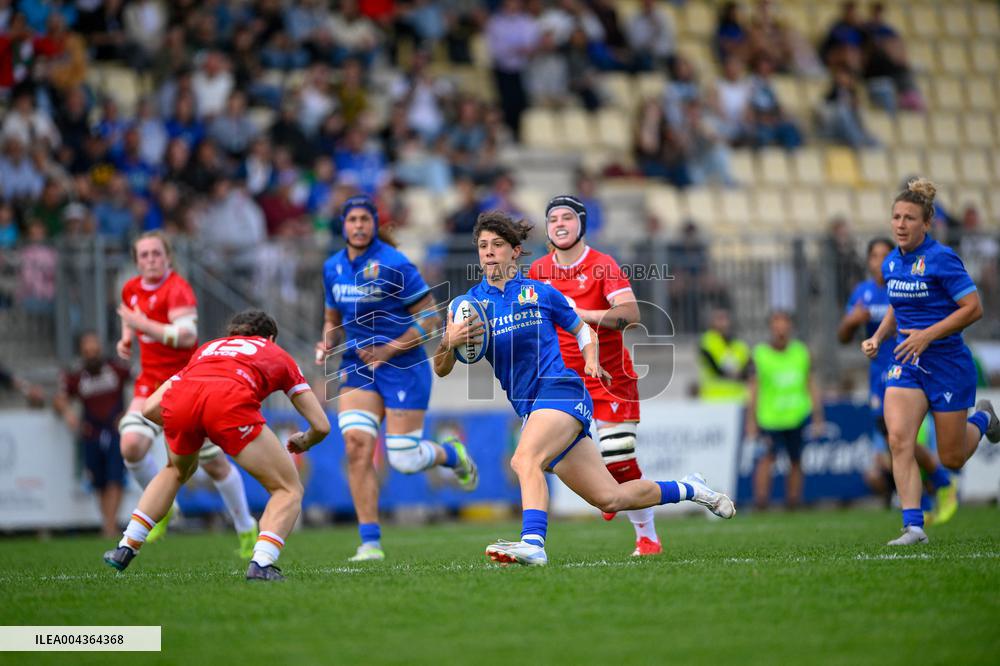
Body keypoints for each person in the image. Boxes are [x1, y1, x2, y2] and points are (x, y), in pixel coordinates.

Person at [434, 211, 735, 567]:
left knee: (523, 458)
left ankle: (533, 543)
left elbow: (582, 330)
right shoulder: (468, 306)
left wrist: (591, 359)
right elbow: (442, 368)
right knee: (611, 498)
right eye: (482, 246)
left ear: (515, 251)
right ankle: (692, 487)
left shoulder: (541, 292)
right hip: (533, 407)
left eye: (497, 245)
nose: (488, 252)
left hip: (563, 391)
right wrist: (447, 342)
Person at [103, 311, 330, 581]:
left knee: (174, 471)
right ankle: (262, 563)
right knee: (288, 489)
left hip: (181, 404)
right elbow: (321, 425)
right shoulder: (274, 352)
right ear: (271, 338)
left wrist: (195, 427)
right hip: (229, 403)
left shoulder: (207, 349)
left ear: (231, 334)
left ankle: (125, 546)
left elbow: (151, 407)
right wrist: (304, 440)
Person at [316, 195, 478, 562]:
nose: (358, 225)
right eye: (352, 219)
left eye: (364, 219)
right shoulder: (332, 268)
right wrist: (327, 338)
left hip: (404, 366)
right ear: (343, 224)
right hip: (357, 366)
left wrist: (388, 350)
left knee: (403, 460)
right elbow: (331, 317)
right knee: (357, 446)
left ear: (374, 223)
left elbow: (431, 319)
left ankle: (453, 455)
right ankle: (369, 542)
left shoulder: (395, 264)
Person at [861, 178, 1000, 546]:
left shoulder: (942, 259)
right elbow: (897, 305)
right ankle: (914, 526)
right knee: (899, 439)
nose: (901, 224)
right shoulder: (892, 263)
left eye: (909, 218)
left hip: (948, 364)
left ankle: (984, 417)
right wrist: (879, 336)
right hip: (906, 363)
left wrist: (928, 334)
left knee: (952, 458)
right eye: (896, 217)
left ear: (926, 224)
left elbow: (974, 308)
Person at [528, 195, 660, 557]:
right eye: (552, 217)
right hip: (563, 382)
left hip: (609, 377)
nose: (559, 223)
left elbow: (631, 314)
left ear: (581, 224)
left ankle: (647, 537)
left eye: (567, 217)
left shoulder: (602, 265)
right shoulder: (537, 271)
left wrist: (578, 313)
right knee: (539, 456)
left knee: (618, 456)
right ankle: (606, 489)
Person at [116, 231, 258, 556]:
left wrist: (142, 324)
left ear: (168, 258)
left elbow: (185, 336)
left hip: (185, 385)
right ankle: (164, 509)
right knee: (132, 445)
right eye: (144, 255)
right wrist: (126, 337)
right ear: (136, 261)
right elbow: (130, 314)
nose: (150, 260)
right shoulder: (131, 288)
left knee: (213, 465)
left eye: (156, 254)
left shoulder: (178, 289)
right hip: (149, 383)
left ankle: (247, 528)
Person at [838, 238, 958, 522]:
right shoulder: (862, 293)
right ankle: (926, 499)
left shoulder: (905, 286)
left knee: (898, 438)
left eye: (884, 255)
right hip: (879, 377)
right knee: (894, 442)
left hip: (912, 371)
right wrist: (853, 322)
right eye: (874, 256)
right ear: (867, 261)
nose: (879, 261)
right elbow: (842, 337)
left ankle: (939, 482)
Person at [53, 332, 130, 538]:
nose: (92, 355)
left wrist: (129, 412)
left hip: (115, 431)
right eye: (88, 352)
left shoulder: (115, 369)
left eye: (95, 350)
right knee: (99, 482)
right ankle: (108, 523)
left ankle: (110, 526)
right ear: (82, 352)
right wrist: (69, 413)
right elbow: (59, 399)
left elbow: (142, 383)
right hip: (91, 434)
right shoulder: (77, 376)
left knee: (116, 478)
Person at [746, 311, 825, 510]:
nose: (780, 329)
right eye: (776, 325)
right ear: (771, 328)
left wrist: (817, 416)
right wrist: (751, 420)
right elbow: (753, 388)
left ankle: (793, 501)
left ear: (790, 327)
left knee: (796, 459)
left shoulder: (801, 352)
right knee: (766, 459)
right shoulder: (760, 354)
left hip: (796, 415)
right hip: (769, 417)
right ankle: (761, 502)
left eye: (784, 324)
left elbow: (811, 384)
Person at [698, 307, 751, 403]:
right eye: (719, 319)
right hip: (713, 400)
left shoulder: (740, 345)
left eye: (724, 318)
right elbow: (716, 369)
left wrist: (736, 374)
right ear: (712, 322)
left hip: (737, 399)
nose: (722, 322)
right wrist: (737, 375)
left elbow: (748, 371)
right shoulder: (707, 342)